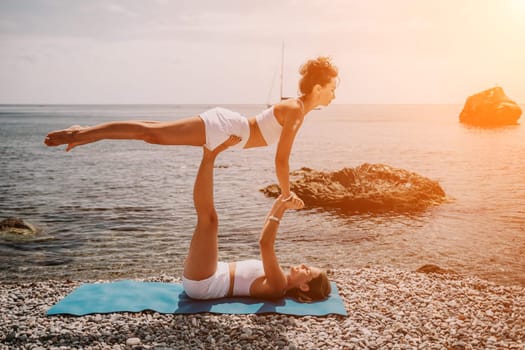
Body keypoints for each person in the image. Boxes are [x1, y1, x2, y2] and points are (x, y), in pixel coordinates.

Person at [44, 56, 339, 204]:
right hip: (224, 129)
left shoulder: (297, 109)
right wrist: (287, 195)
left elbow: (276, 154)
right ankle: (81, 134)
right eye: (331, 88)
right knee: (152, 134)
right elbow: (281, 160)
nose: (334, 95)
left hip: (228, 130)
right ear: (317, 87)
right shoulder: (296, 111)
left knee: (152, 131)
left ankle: (83, 132)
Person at [183, 136, 331, 301]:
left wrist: (282, 208)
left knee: (209, 220)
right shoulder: (278, 276)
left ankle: (209, 154)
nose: (304, 265)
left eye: (307, 271)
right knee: (208, 220)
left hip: (205, 283)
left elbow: (265, 243)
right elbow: (266, 229)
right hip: (210, 273)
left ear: (304, 287)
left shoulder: (279, 286)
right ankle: (210, 154)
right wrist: (282, 200)